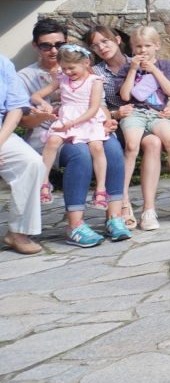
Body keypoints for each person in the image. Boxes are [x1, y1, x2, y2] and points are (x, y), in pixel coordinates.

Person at [19, 19, 130, 247]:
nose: (53, 50)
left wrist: (108, 120)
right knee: (80, 154)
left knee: (112, 148)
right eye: (46, 45)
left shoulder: (85, 71)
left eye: (59, 44)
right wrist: (46, 114)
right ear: (35, 46)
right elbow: (23, 121)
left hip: (86, 126)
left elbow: (97, 105)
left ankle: (114, 217)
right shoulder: (26, 77)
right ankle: (75, 225)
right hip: (49, 134)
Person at [84, 25, 170, 231]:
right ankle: (123, 201)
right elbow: (117, 98)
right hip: (120, 118)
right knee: (139, 144)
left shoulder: (151, 63)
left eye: (105, 41)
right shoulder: (100, 71)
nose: (101, 47)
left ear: (117, 41)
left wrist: (167, 106)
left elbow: (169, 91)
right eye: (95, 45)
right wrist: (116, 113)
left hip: (152, 116)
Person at [116, 25, 170, 227]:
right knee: (132, 146)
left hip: (157, 114)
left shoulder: (165, 66)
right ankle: (123, 199)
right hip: (134, 113)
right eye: (138, 46)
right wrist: (133, 69)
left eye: (147, 45)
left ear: (157, 46)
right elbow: (125, 96)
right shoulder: (127, 68)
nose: (142, 50)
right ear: (132, 48)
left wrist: (153, 70)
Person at [31, 43, 109, 209]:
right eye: (64, 68)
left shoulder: (95, 81)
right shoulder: (62, 79)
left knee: (97, 147)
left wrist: (73, 123)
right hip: (66, 117)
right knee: (52, 141)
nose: (67, 72)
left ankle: (101, 189)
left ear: (86, 63)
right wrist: (44, 104)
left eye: (71, 68)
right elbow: (36, 96)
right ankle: (44, 182)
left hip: (87, 119)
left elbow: (94, 108)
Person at [1, 54, 44, 255]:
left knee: (31, 162)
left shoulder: (3, 63)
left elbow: (16, 108)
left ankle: (18, 232)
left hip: (1, 133)